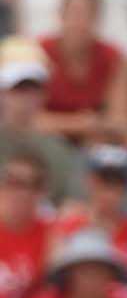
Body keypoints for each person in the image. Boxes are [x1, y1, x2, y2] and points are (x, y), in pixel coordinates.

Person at [53, 143, 127, 298]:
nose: (110, 191)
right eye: (104, 180)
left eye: (118, 182)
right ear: (89, 181)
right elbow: (55, 288)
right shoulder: (67, 228)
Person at [37, 0, 127, 146]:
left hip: (94, 140)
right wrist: (80, 123)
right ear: (61, 14)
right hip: (48, 140)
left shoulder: (114, 57)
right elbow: (26, 117)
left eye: (87, 14)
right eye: (74, 13)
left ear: (98, 18)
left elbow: (122, 120)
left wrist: (88, 127)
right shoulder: (39, 53)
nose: (79, 22)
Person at [0, 35, 85, 203]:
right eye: (17, 87)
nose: (25, 96)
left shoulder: (58, 149)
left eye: (33, 87)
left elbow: (73, 205)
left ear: (44, 93)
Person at [0, 145, 51, 298]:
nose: (22, 193)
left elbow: (51, 294)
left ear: (41, 192)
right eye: (14, 182)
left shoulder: (51, 234)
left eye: (31, 184)